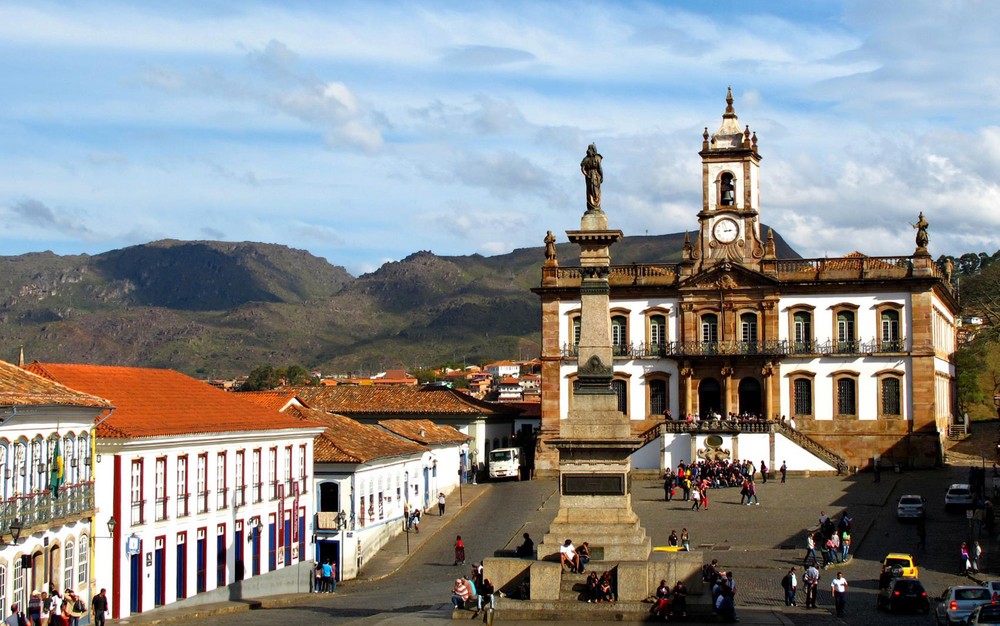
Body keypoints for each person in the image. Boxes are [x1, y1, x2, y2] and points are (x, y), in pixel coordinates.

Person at [580, 143, 603, 212]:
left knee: (595, 190)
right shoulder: (595, 158)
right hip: (593, 176)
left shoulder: (595, 158)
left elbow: (583, 168)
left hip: (593, 176)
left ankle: (596, 206)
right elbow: (599, 168)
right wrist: (602, 176)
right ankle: (593, 206)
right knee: (591, 191)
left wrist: (586, 173)